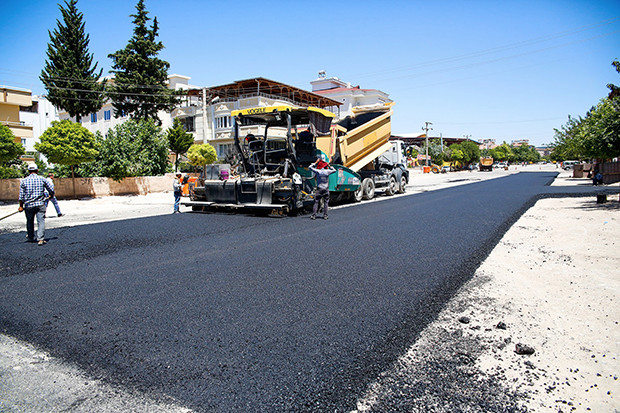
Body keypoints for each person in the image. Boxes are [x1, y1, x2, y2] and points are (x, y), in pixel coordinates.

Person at [18, 164, 54, 245]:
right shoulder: (42, 179)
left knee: (29, 221)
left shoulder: (24, 181)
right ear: (37, 170)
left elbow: (21, 195)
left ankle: (31, 237)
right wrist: (51, 195)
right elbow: (50, 189)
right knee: (41, 221)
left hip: (28, 205)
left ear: (28, 171)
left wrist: (20, 206)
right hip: (40, 204)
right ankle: (40, 239)